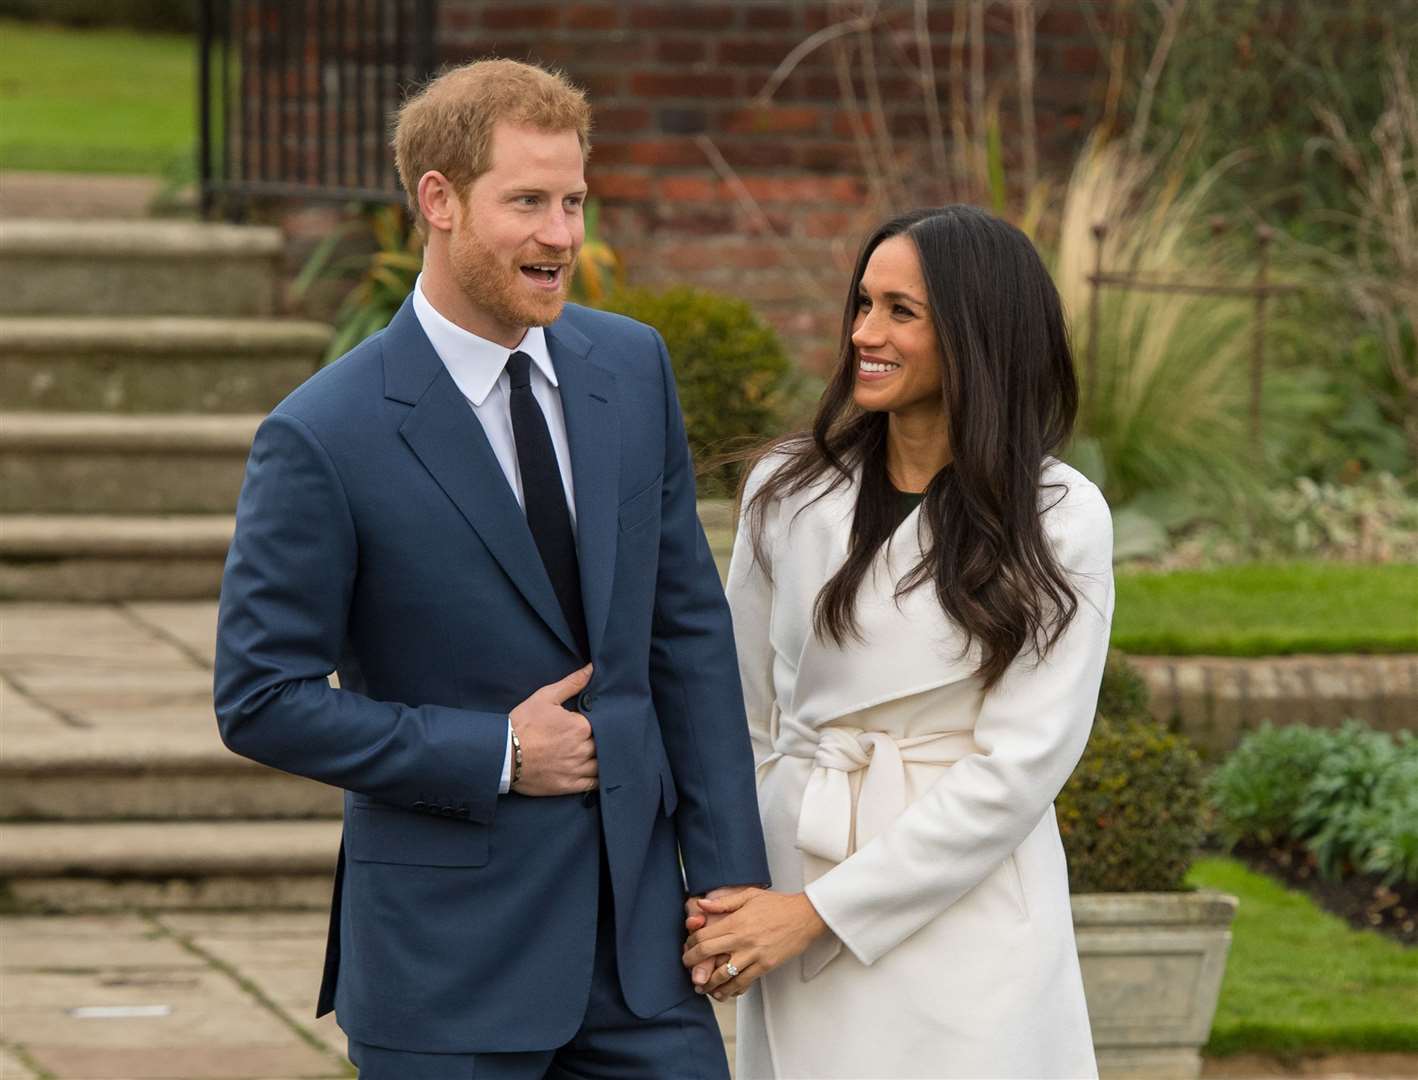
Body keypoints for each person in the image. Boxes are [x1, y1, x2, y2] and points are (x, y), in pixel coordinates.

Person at [213, 58, 769, 1079]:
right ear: (438, 201)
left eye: (573, 202)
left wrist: (729, 878)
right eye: (527, 203)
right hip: (446, 972)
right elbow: (259, 698)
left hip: (642, 960)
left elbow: (685, 629)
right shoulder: (322, 434)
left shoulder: (632, 369)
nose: (562, 236)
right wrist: (498, 754)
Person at [681, 205, 1114, 1079]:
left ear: (977, 333)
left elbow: (1019, 769)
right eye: (863, 303)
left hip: (966, 904)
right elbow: (735, 710)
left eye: (900, 312)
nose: (863, 334)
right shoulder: (786, 489)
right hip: (793, 875)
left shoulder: (1060, 517)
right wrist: (744, 892)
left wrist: (821, 913)